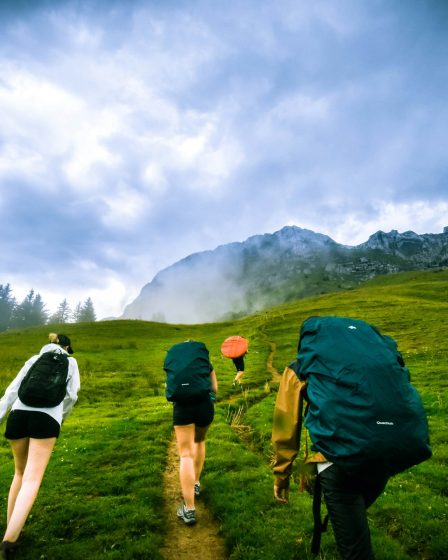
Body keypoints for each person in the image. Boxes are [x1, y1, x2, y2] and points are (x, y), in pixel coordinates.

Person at [272, 360, 389, 560]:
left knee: (355, 548)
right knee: (354, 521)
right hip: (383, 453)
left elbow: (286, 423)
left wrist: (281, 475)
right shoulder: (372, 354)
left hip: (336, 460)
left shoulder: (302, 364)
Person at [0, 333, 80, 559]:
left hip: (18, 415)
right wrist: (60, 418)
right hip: (47, 419)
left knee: (19, 473)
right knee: (32, 480)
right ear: (66, 346)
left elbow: (12, 390)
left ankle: (12, 529)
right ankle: (10, 541)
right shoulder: (71, 362)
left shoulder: (34, 359)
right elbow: (71, 395)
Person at [167, 341, 218, 526]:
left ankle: (189, 509)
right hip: (204, 406)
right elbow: (215, 389)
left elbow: (171, 387)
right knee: (200, 441)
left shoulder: (175, 363)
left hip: (182, 409)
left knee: (185, 454)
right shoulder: (206, 364)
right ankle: (196, 482)